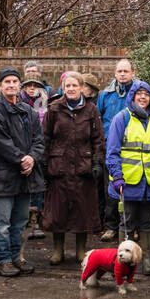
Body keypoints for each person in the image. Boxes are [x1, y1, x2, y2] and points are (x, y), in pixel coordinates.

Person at [0, 67, 46, 277]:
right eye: (7, 82)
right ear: (0, 86)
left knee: (20, 221)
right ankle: (3, 260)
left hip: (24, 177)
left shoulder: (28, 111)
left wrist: (32, 158)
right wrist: (21, 159)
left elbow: (39, 139)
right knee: (2, 223)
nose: (11, 85)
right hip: (3, 177)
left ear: (19, 85)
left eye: (14, 81)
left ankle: (16, 257)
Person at [106, 82, 150, 276]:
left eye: (146, 94)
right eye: (139, 94)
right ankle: (123, 261)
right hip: (128, 183)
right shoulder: (121, 118)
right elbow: (112, 151)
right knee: (127, 222)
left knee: (148, 224)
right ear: (132, 97)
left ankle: (147, 260)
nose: (143, 97)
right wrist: (117, 176)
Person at [43, 71, 106, 266]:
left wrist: (97, 162)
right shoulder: (53, 109)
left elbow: (98, 139)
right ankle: (58, 250)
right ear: (63, 88)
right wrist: (44, 164)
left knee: (83, 210)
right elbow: (45, 138)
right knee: (58, 210)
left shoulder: (91, 110)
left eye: (74, 86)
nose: (70, 89)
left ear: (81, 88)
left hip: (83, 167)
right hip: (59, 167)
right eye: (67, 86)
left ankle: (81, 250)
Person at [96, 59, 140, 242]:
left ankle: (132, 227)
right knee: (111, 189)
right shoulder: (105, 95)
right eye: (119, 71)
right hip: (110, 147)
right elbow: (98, 119)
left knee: (132, 188)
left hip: (132, 148)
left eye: (126, 71)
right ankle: (112, 226)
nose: (122, 74)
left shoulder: (139, 93)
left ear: (132, 73)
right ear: (115, 73)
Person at [20, 76, 51, 240]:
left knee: (39, 188)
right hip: (25, 150)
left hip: (41, 149)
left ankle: (36, 222)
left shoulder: (45, 104)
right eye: (29, 86)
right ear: (24, 88)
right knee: (26, 188)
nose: (32, 88)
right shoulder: (18, 103)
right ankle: (24, 221)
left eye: (36, 86)